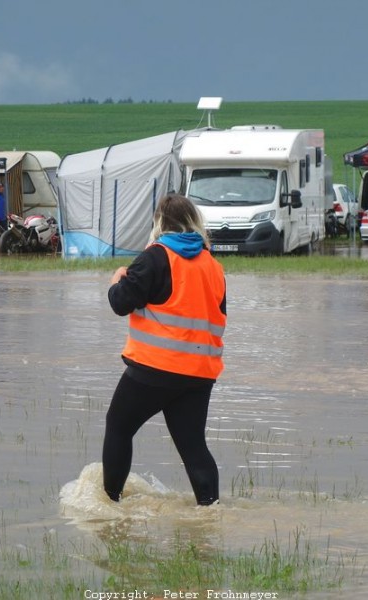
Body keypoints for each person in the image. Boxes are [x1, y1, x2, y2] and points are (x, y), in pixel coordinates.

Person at [102, 193, 226, 506]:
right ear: (195, 223)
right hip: (198, 374)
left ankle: (109, 506)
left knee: (118, 428)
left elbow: (120, 303)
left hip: (154, 369)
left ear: (159, 223)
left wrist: (117, 280)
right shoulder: (213, 266)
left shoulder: (154, 256)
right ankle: (210, 511)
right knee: (193, 446)